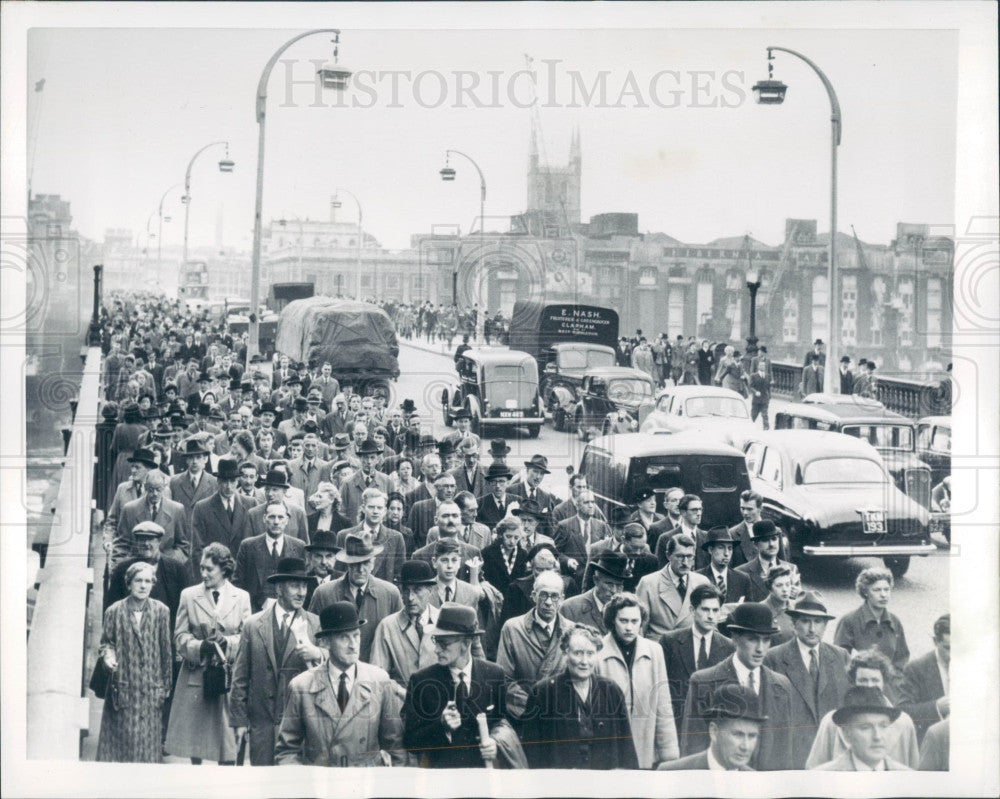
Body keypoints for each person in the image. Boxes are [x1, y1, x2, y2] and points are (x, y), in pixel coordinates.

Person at [274, 601, 405, 766]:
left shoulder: (380, 681)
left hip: (366, 785)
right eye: (344, 638)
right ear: (326, 643)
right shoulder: (301, 687)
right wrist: (305, 785)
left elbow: (396, 747)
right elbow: (287, 751)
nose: (353, 645)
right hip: (321, 786)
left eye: (356, 636)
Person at [229, 557, 325, 765]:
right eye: (294, 586)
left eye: (304, 586)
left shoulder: (315, 624)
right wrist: (238, 721)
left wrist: (317, 653)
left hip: (299, 729)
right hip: (261, 727)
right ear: (279, 588)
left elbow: (330, 670)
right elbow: (240, 677)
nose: (301, 592)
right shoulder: (253, 626)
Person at [164, 543, 253, 764]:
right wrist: (199, 646)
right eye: (201, 568)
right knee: (197, 739)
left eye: (209, 569)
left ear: (224, 569)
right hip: (197, 675)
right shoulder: (189, 595)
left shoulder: (241, 597)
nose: (203, 573)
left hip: (227, 675)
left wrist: (227, 643)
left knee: (227, 740)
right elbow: (179, 637)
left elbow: (247, 637)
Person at [681, 602, 795, 770]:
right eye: (753, 639)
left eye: (766, 640)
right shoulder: (703, 682)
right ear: (735, 638)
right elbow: (692, 750)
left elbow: (784, 753)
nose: (760, 648)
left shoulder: (782, 685)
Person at [402, 603, 509, 768]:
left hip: (482, 778)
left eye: (443, 643)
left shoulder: (494, 675)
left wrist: (496, 743)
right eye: (435, 641)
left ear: (466, 644)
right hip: (441, 781)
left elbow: (503, 724)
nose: (436, 649)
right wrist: (441, 726)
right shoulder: (421, 681)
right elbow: (409, 742)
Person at [521, 623, 639, 770]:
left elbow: (626, 748)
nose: (584, 661)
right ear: (565, 653)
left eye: (590, 654)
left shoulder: (611, 690)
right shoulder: (543, 693)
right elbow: (532, 752)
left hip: (603, 785)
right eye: (578, 653)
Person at [762, 591, 851, 768]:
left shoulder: (841, 657)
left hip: (832, 755)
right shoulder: (773, 658)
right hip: (792, 756)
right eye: (805, 621)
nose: (812, 629)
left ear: (825, 625)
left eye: (817, 621)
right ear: (794, 624)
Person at [95, 562, 173, 763]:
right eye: (138, 580)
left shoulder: (161, 611)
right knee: (121, 749)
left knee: (148, 749)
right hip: (123, 687)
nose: (143, 586)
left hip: (151, 690)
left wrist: (166, 685)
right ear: (129, 584)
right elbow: (106, 644)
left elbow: (166, 650)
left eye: (148, 581)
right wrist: (109, 658)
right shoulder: (114, 611)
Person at [595, 593, 679, 768]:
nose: (629, 627)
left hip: (646, 749)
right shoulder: (598, 653)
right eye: (623, 621)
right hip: (611, 750)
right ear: (612, 621)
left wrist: (669, 754)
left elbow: (663, 704)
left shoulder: (654, 651)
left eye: (635, 621)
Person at [805, 648, 920, 769]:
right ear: (853, 683)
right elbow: (815, 770)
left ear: (884, 682)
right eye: (863, 680)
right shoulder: (831, 722)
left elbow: (913, 770)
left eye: (875, 680)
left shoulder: (903, 722)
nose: (869, 686)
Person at [308, 532, 402, 662]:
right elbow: (314, 638)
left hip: (376, 676)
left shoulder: (390, 594)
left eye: (366, 562)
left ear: (373, 562)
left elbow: (399, 642)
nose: (361, 569)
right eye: (355, 563)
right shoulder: (324, 594)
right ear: (347, 563)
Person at [496, 570, 575, 720]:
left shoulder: (572, 631)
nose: (548, 602)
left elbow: (577, 679)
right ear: (533, 596)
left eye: (554, 596)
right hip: (524, 716)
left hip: (561, 717)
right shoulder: (513, 628)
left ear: (562, 599)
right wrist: (533, 708)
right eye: (543, 594)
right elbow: (504, 679)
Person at [659, 584, 734, 737]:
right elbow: (662, 687)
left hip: (714, 727)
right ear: (692, 610)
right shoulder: (670, 641)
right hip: (678, 724)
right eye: (705, 610)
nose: (711, 616)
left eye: (715, 610)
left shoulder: (729, 647)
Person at [369, 560, 441, 691]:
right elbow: (377, 676)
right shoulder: (387, 626)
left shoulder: (443, 621)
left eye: (417, 590)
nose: (410, 597)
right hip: (401, 704)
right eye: (406, 591)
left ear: (430, 590)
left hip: (439, 702)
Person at [658, 684, 766, 771]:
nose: (745, 746)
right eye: (738, 734)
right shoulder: (673, 773)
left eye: (752, 736)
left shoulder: (755, 782)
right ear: (714, 731)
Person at [811, 686, 912, 770]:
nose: (877, 736)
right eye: (865, 727)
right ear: (846, 734)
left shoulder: (907, 777)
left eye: (883, 726)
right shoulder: (824, 776)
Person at [833, 566, 910, 672]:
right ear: (865, 592)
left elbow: (902, 659)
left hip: (889, 684)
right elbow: (840, 661)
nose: (883, 595)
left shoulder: (894, 621)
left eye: (886, 589)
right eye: (877, 590)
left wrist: (893, 682)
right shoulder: (849, 621)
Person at [114, 468, 191, 571]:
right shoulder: (130, 509)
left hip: (167, 569)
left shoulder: (177, 509)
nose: (155, 493)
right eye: (150, 489)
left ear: (164, 487)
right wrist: (121, 570)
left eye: (158, 489)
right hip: (137, 569)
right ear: (145, 487)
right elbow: (121, 546)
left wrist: (171, 565)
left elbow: (183, 547)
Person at [636, 533, 710, 640]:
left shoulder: (702, 582)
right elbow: (639, 628)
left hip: (691, 648)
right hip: (660, 650)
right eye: (680, 556)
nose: (685, 562)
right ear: (668, 555)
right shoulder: (648, 583)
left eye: (689, 557)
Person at [190, 457, 254, 569]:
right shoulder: (202, 507)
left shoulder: (251, 504)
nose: (229, 487)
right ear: (218, 481)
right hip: (215, 573)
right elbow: (197, 550)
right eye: (225, 481)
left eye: (232, 481)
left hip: (243, 573)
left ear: (238, 481)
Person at [336, 487, 407, 585]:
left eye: (379, 508)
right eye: (371, 507)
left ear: (385, 511)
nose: (375, 511)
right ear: (363, 508)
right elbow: (338, 574)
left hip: (383, 596)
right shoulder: (344, 536)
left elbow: (399, 576)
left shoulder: (396, 538)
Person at [897, 614, 949, 743]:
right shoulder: (916, 668)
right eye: (947, 648)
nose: (953, 655)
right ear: (935, 641)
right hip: (932, 745)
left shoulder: (975, 665)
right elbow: (902, 711)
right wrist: (936, 707)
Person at [561, 552, 627, 634]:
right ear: (596, 580)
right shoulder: (570, 609)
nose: (614, 590)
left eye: (619, 585)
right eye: (609, 584)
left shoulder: (628, 611)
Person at [734, 520, 797, 603]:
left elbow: (796, 603)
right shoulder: (740, 572)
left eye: (774, 539)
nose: (771, 544)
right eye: (765, 540)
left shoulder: (791, 568)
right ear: (755, 544)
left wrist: (796, 595)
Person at [696, 527, 752, 605]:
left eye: (730, 548)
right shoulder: (697, 577)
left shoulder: (743, 579)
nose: (726, 553)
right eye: (721, 548)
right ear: (710, 550)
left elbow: (748, 608)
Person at [480, 517, 531, 595]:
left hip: (515, 599)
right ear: (501, 534)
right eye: (508, 536)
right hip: (494, 596)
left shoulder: (523, 555)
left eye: (516, 537)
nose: (512, 541)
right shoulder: (487, 553)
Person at [653, 494, 707, 568]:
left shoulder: (706, 537)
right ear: (683, 512)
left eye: (700, 509)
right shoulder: (666, 538)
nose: (699, 513)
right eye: (694, 510)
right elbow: (660, 568)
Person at [761, 565, 796, 645]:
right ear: (770, 588)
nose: (785, 590)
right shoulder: (762, 610)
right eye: (779, 585)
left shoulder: (796, 607)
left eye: (788, 584)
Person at [748, 360, 771, 429]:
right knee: (753, 415)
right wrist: (755, 392)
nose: (763, 367)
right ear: (758, 367)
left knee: (765, 415)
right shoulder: (754, 376)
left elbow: (768, 387)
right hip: (756, 399)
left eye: (764, 365)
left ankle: (766, 428)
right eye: (761, 365)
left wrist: (769, 397)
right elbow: (750, 386)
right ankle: (749, 428)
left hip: (765, 399)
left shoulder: (767, 376)